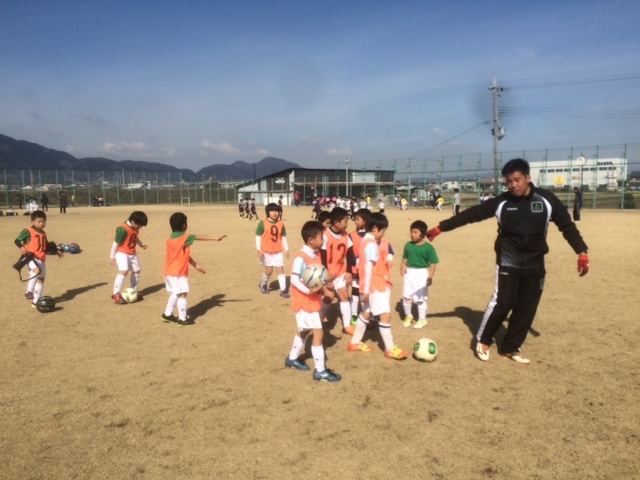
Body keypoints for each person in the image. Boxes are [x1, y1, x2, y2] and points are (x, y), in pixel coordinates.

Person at [427, 158, 589, 364]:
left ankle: (511, 347)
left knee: (527, 306)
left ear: (528, 178)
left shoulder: (546, 200)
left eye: (517, 180)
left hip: (535, 261)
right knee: (503, 302)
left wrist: (581, 252)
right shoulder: (502, 202)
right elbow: (472, 215)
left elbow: (567, 226)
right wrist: (441, 227)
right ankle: (483, 340)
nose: (513, 185)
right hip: (508, 259)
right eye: (508, 182)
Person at [285, 221, 342, 382]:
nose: (323, 240)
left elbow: (316, 276)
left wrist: (326, 279)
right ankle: (320, 371)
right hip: (304, 301)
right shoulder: (300, 258)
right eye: (321, 237)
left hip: (311, 300)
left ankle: (292, 358)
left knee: (304, 330)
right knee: (318, 332)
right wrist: (308, 291)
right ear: (311, 240)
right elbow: (295, 280)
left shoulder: (315, 254)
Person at [347, 212, 408, 360]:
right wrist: (367, 290)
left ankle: (355, 342)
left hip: (369, 286)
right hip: (375, 286)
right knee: (386, 315)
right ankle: (390, 348)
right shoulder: (372, 245)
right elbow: (368, 269)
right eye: (383, 230)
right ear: (375, 228)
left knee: (366, 314)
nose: (383, 233)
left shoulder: (364, 242)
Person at [161, 212, 226, 326]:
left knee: (176, 293)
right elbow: (198, 236)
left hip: (168, 271)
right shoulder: (184, 237)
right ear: (184, 225)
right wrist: (215, 238)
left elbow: (183, 255)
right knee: (182, 294)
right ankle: (182, 318)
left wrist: (196, 265)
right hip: (178, 272)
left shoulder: (170, 238)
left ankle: (167, 314)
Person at [15, 210, 63, 307]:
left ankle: (35, 302)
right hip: (31, 256)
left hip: (41, 258)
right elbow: (17, 240)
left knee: (40, 280)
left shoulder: (43, 233)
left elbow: (46, 246)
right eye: (39, 222)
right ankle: (28, 292)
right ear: (32, 221)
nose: (41, 224)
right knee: (37, 271)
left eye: (43, 222)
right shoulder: (28, 231)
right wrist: (22, 247)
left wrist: (56, 251)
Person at [320, 207, 355, 335]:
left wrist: (349, 271)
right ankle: (319, 319)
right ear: (336, 223)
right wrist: (325, 275)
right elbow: (322, 256)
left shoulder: (346, 235)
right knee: (329, 297)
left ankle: (347, 326)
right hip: (328, 273)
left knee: (344, 296)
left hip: (341, 272)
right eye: (345, 222)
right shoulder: (325, 235)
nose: (347, 224)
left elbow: (350, 254)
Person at [401, 220, 439, 329]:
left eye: (415, 232)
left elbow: (433, 263)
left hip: (421, 273)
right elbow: (405, 258)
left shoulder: (428, 248)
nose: (412, 234)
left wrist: (430, 277)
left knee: (420, 299)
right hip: (409, 273)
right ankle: (408, 316)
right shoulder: (408, 245)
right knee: (406, 297)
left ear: (422, 234)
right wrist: (402, 267)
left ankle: (422, 320)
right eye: (411, 232)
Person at [109, 211, 148, 304]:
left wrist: (140, 244)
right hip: (122, 253)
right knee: (124, 271)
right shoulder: (123, 229)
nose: (140, 227)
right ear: (133, 221)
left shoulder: (134, 227)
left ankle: (133, 290)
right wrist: (112, 257)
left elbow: (134, 237)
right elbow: (115, 243)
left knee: (137, 270)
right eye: (139, 225)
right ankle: (115, 293)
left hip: (132, 253)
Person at [256, 203, 290, 297]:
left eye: (276, 211)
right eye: (272, 211)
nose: (275, 213)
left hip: (277, 251)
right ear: (268, 212)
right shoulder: (263, 223)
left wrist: (286, 249)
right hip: (266, 252)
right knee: (269, 270)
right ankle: (263, 284)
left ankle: (283, 290)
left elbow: (283, 237)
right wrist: (259, 249)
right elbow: (258, 236)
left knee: (280, 270)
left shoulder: (280, 223)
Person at [348, 208, 370, 326]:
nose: (355, 221)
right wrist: (355, 261)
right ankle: (354, 315)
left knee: (367, 292)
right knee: (355, 292)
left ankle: (367, 314)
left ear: (365, 221)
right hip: (356, 270)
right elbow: (349, 252)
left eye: (358, 219)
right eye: (355, 219)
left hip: (368, 271)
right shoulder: (351, 235)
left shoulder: (371, 236)